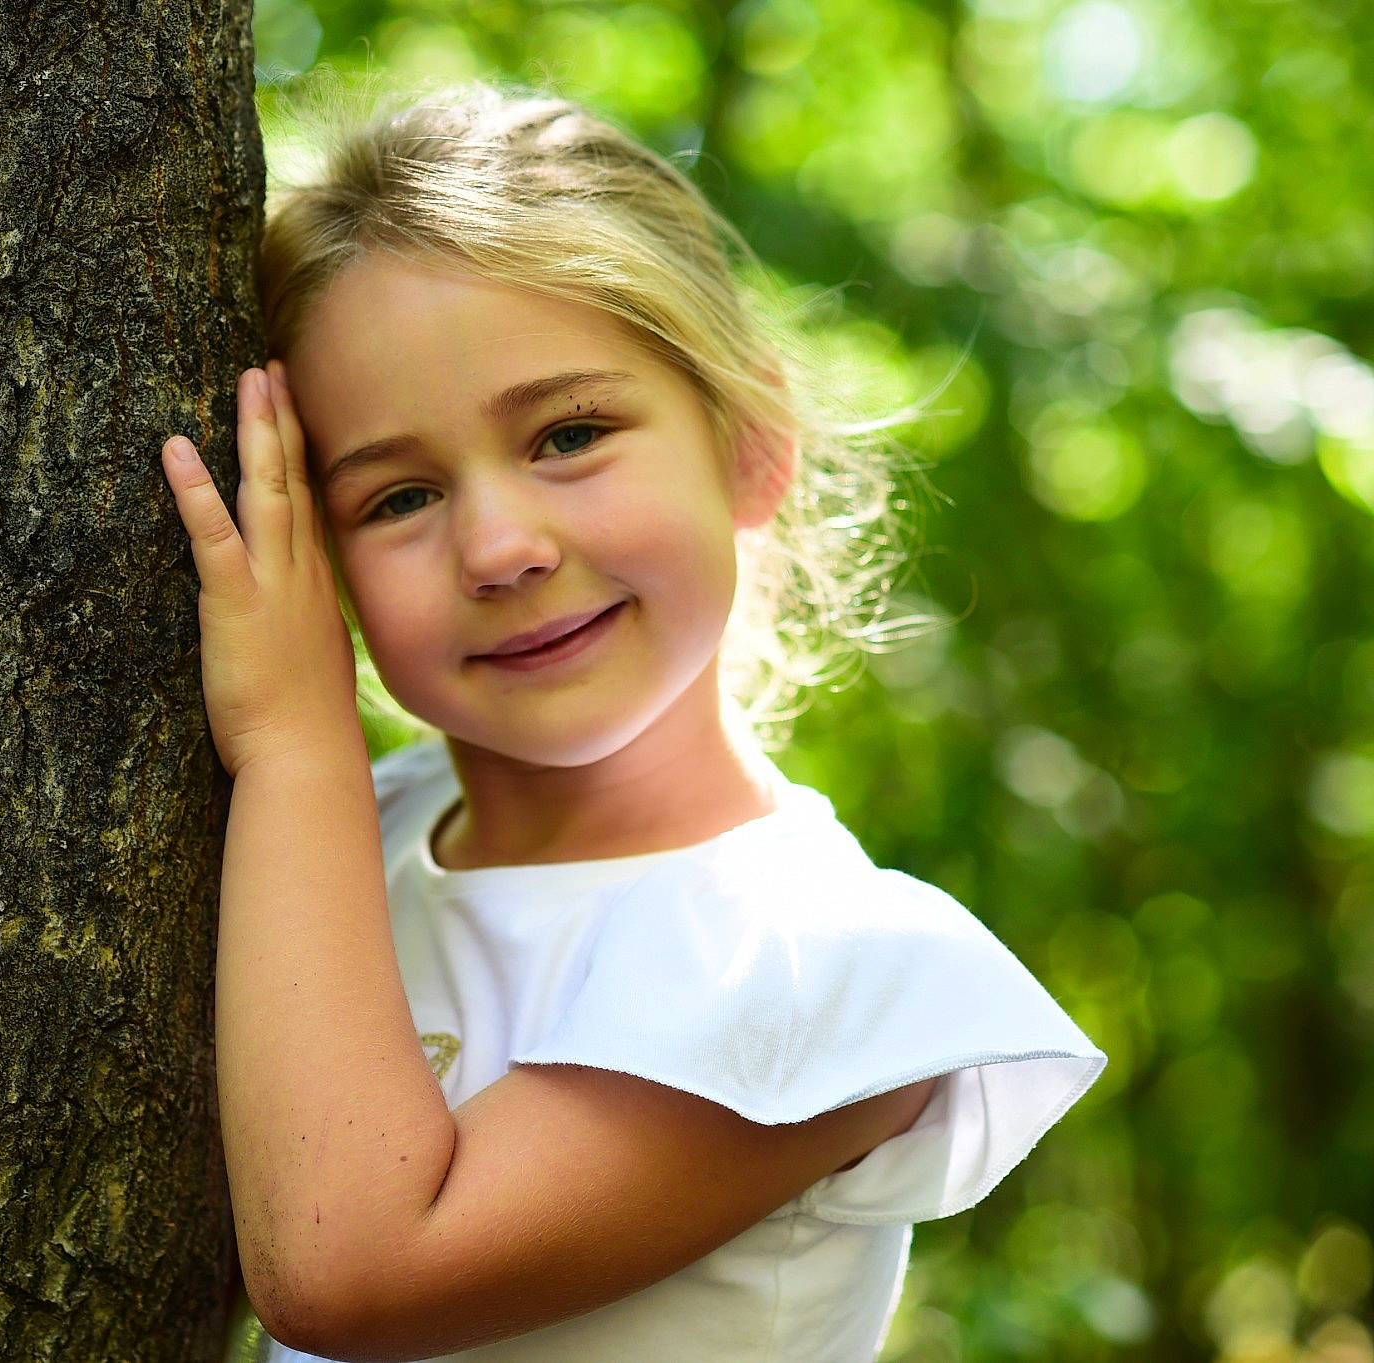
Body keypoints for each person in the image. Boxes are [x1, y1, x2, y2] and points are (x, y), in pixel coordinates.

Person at [156, 79, 1106, 1363]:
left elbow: (349, 1270)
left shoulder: (821, 961)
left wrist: (291, 740)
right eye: (396, 498)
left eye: (568, 434)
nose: (498, 547)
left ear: (749, 443)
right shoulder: (350, 838)